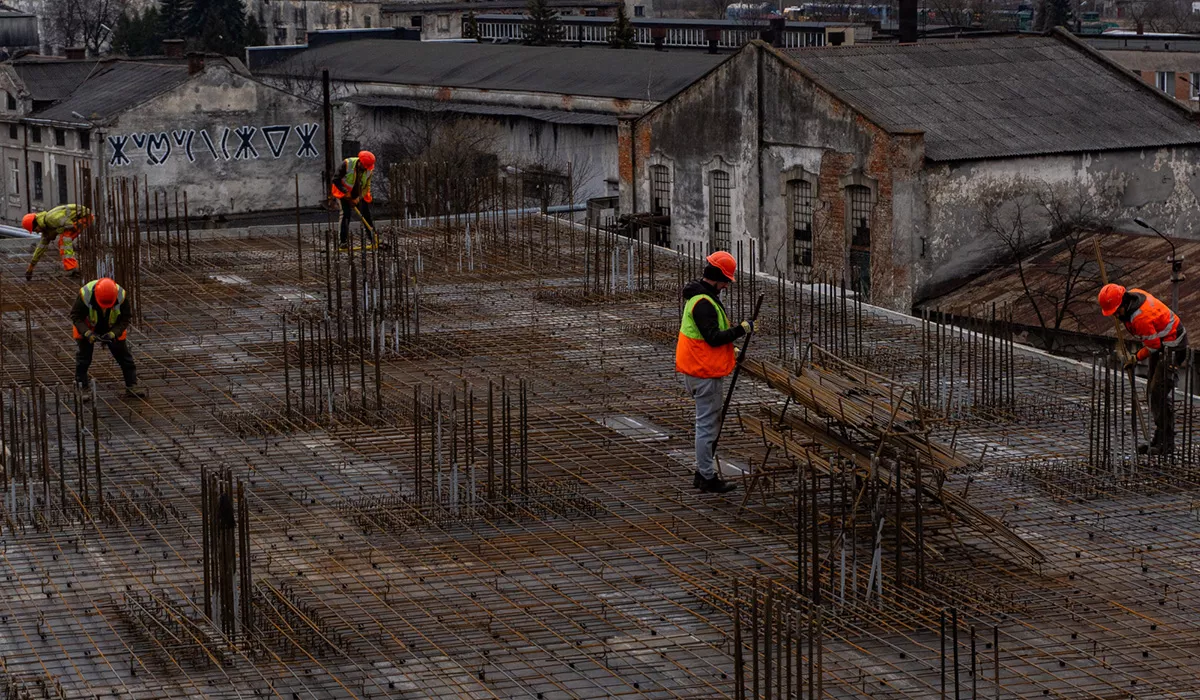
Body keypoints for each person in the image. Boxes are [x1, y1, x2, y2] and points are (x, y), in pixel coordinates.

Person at [676, 251, 754, 493]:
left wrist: (733, 349)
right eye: (725, 282)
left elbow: (708, 338)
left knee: (707, 425)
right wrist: (741, 329)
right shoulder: (703, 303)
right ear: (718, 278)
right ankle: (706, 476)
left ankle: (703, 472)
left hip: (700, 369)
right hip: (704, 374)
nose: (725, 286)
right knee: (707, 427)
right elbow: (713, 338)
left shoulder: (701, 298)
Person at [1098, 283, 1187, 455]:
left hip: (1174, 345)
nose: (1116, 316)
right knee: (1152, 393)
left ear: (1124, 303)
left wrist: (1135, 357)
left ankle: (1166, 443)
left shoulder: (1140, 318)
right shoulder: (1133, 297)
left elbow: (1152, 346)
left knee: (1157, 392)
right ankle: (1159, 437)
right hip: (1162, 343)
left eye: (1116, 311)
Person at [70, 278, 146, 399]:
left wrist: (113, 333)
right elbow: (76, 316)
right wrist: (87, 333)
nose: (105, 308)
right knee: (84, 359)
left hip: (112, 325)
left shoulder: (121, 296)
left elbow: (125, 318)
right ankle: (82, 388)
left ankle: (132, 386)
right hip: (87, 325)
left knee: (124, 357)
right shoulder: (85, 295)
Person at [23, 204, 92, 280]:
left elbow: (70, 225)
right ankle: (73, 267)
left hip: (85, 217)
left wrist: (55, 231)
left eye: (35, 230)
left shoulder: (51, 219)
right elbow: (40, 249)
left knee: (64, 240)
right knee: (63, 242)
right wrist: (31, 267)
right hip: (79, 220)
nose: (36, 232)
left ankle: (74, 268)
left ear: (36, 224)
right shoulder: (46, 228)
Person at [331, 150, 376, 249]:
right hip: (343, 193)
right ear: (360, 162)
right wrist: (345, 192)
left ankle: (373, 239)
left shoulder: (369, 170)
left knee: (366, 215)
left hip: (358, 194)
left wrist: (358, 198)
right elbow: (335, 179)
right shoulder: (347, 164)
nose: (365, 169)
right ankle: (343, 242)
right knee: (346, 215)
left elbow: (366, 187)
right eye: (364, 166)